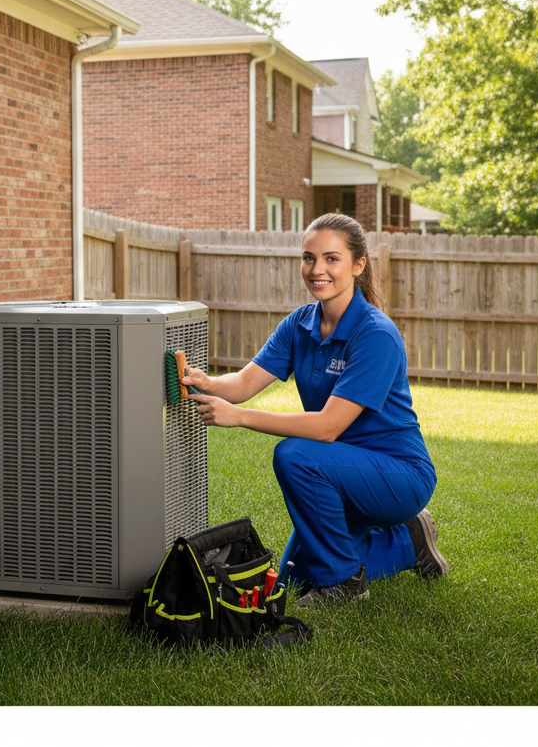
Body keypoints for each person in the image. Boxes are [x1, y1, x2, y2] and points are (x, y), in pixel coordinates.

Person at [184, 212, 448, 607]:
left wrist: (239, 418)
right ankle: (409, 544)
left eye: (331, 259)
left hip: (397, 474)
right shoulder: (300, 324)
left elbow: (327, 427)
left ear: (358, 265)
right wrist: (205, 382)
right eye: (309, 258)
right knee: (295, 576)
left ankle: (345, 584)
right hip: (338, 467)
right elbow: (242, 384)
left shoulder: (375, 334)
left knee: (295, 455)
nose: (317, 269)